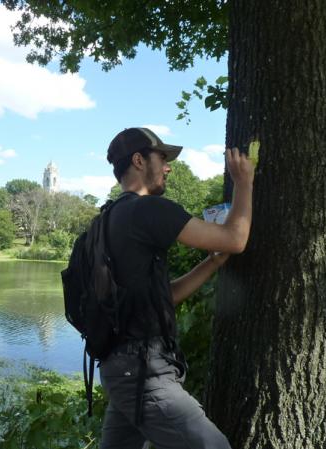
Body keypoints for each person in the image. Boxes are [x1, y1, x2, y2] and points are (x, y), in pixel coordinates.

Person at [99, 127, 255, 449]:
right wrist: (243, 182)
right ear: (140, 160)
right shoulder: (147, 209)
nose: (169, 166)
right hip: (144, 373)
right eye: (163, 158)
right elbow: (235, 240)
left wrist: (211, 264)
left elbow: (163, 298)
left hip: (120, 368)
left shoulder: (108, 218)